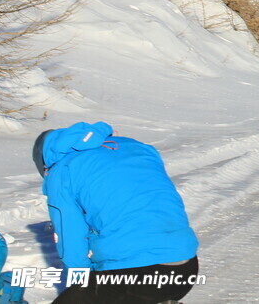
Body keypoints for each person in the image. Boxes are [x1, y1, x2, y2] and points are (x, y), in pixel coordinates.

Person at [33, 122, 199, 304]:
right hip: (186, 266)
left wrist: (80, 283)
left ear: (45, 164)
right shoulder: (137, 148)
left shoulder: (61, 171)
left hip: (136, 274)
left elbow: (70, 234)